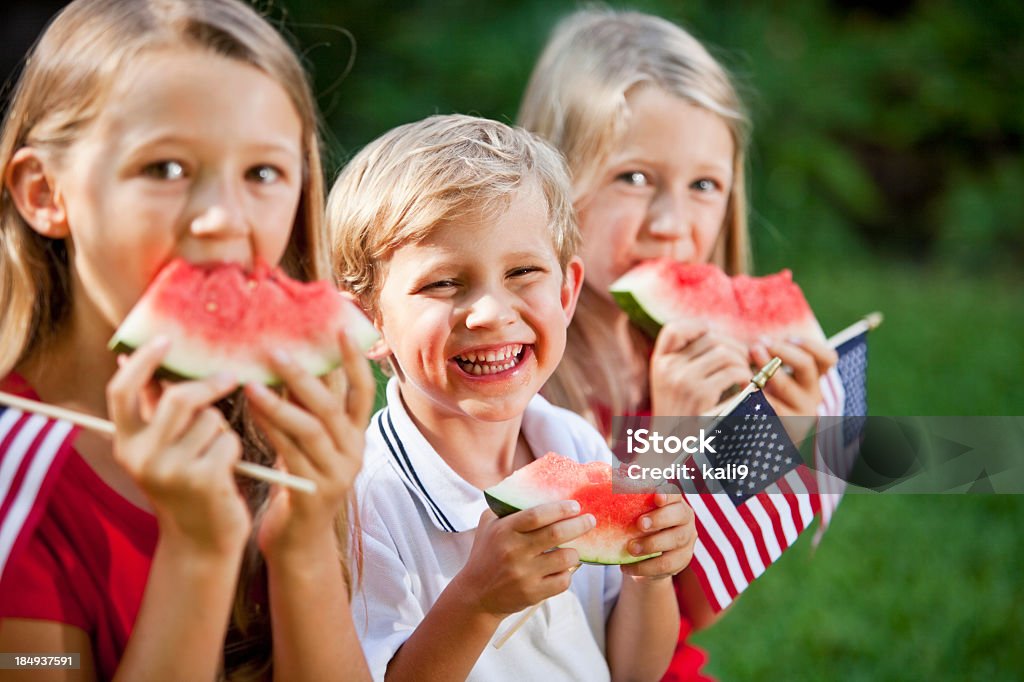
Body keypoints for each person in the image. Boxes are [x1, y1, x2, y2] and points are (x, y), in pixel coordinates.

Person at [0, 1, 373, 679]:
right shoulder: (14, 477)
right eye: (165, 169)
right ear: (44, 192)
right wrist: (198, 553)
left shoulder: (285, 442)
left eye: (262, 174)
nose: (222, 219)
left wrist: (303, 541)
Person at [517, 8, 839, 680]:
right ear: (552, 177)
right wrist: (668, 440)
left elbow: (696, 601)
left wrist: (776, 435)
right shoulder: (517, 370)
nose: (671, 224)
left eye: (703, 187)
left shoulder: (709, 363)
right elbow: (563, 618)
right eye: (634, 178)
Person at [327, 113, 697, 681]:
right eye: (443, 283)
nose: (493, 313)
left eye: (523, 271)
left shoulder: (575, 443)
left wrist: (648, 574)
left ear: (567, 291)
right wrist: (477, 600)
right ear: (368, 322)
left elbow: (633, 671)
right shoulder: (364, 502)